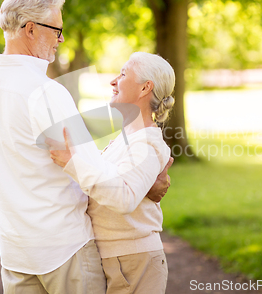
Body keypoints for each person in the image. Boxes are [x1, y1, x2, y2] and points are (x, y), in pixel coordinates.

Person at [0, 0, 172, 294]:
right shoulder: (46, 91)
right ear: (30, 29)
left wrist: (142, 182)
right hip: (64, 247)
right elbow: (87, 166)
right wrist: (145, 188)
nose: (60, 39)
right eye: (57, 30)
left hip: (14, 250)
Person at [49, 52, 175, 294]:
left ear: (144, 88)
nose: (113, 81)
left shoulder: (147, 143)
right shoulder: (126, 139)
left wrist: (72, 162)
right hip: (117, 258)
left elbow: (124, 198)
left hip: (134, 260)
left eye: (124, 74)